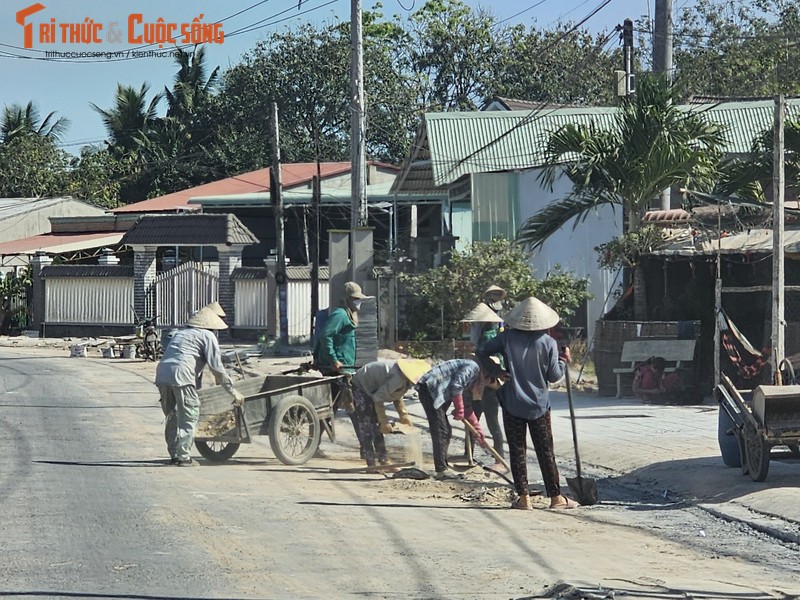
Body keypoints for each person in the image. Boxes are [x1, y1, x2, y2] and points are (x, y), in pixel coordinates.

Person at [477, 296, 578, 510]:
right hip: (539, 405)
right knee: (545, 451)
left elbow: (482, 351)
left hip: (512, 402)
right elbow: (553, 377)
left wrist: (496, 371)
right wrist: (563, 360)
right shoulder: (549, 343)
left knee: (517, 450)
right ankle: (556, 498)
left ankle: (524, 498)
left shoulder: (506, 338)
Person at [155, 306, 245, 466]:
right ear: (210, 326)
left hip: (162, 374)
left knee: (172, 416)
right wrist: (233, 392)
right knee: (189, 416)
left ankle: (174, 454)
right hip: (181, 375)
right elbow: (217, 368)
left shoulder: (180, 334)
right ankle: (184, 457)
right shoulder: (207, 336)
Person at [415, 358, 502, 480]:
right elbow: (456, 386)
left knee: (444, 430)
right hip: (431, 388)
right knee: (442, 430)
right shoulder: (473, 367)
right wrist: (459, 408)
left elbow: (467, 407)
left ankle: (442, 467)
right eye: (490, 380)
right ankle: (441, 470)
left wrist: (478, 431)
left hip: (438, 391)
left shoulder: (472, 380)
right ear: (487, 375)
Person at [350, 358, 430, 467]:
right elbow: (379, 397)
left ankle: (384, 460)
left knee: (377, 426)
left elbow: (396, 396)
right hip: (362, 386)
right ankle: (371, 463)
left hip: (374, 389)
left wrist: (403, 415)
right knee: (367, 425)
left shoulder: (404, 380)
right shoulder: (398, 379)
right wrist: (383, 421)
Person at [461, 297, 507, 471]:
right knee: (480, 418)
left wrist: (493, 372)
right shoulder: (497, 330)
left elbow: (487, 357)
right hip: (487, 381)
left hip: (487, 383)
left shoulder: (488, 333)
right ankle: (470, 454)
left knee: (482, 419)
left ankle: (497, 458)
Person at [314, 281, 371, 412]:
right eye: (355, 299)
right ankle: (322, 429)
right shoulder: (340, 315)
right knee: (333, 404)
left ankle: (326, 428)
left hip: (344, 366)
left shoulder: (349, 315)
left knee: (342, 402)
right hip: (335, 367)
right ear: (347, 299)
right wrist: (333, 360)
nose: (358, 302)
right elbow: (325, 336)